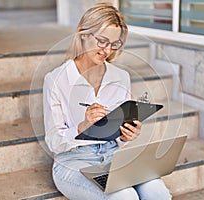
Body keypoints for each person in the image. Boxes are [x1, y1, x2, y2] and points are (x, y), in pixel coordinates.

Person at [43, 3, 172, 200]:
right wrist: (82, 127)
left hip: (113, 156)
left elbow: (119, 135)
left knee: (157, 193)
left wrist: (127, 135)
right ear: (84, 34)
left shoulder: (121, 76)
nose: (107, 50)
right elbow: (53, 141)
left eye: (114, 44)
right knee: (124, 197)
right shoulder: (56, 79)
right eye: (102, 41)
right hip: (74, 161)